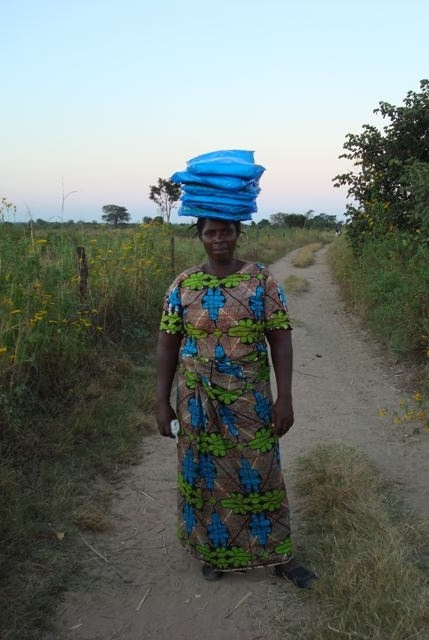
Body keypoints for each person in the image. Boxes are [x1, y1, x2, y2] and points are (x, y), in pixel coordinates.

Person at [155, 216, 317, 588]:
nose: (219, 239)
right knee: (204, 473)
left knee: (261, 470)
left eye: (226, 231)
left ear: (238, 233)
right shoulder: (184, 284)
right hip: (195, 398)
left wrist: (285, 397)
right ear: (200, 236)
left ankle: (280, 556)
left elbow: (280, 339)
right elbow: (167, 344)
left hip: (250, 397)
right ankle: (215, 553)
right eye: (210, 233)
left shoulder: (261, 280)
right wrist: (161, 401)